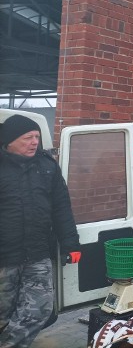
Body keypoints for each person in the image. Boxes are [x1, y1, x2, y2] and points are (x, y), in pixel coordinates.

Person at [0, 114, 81, 347]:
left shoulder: (47, 166)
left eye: (37, 136)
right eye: (28, 137)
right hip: (5, 256)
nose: (35, 142)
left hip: (37, 253)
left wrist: (71, 244)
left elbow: (61, 207)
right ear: (10, 140)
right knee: (4, 314)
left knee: (40, 308)